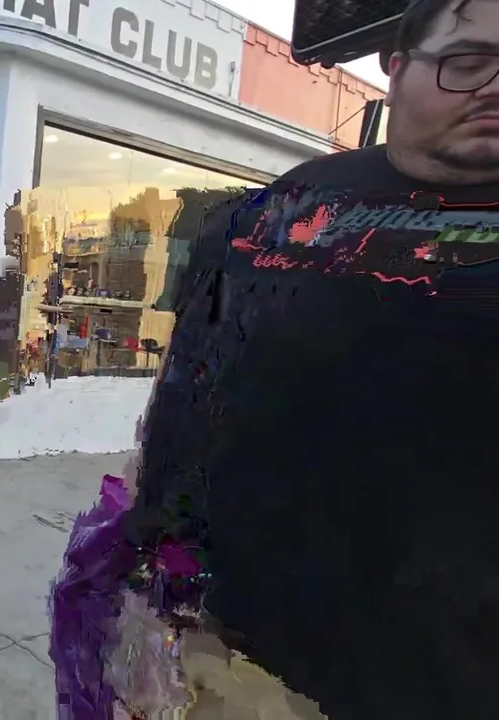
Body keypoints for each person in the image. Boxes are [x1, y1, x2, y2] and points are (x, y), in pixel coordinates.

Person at [50, 1, 499, 719]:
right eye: (469, 61)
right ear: (395, 67)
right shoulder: (288, 203)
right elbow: (186, 382)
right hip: (231, 648)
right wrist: (141, 564)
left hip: (440, 677)